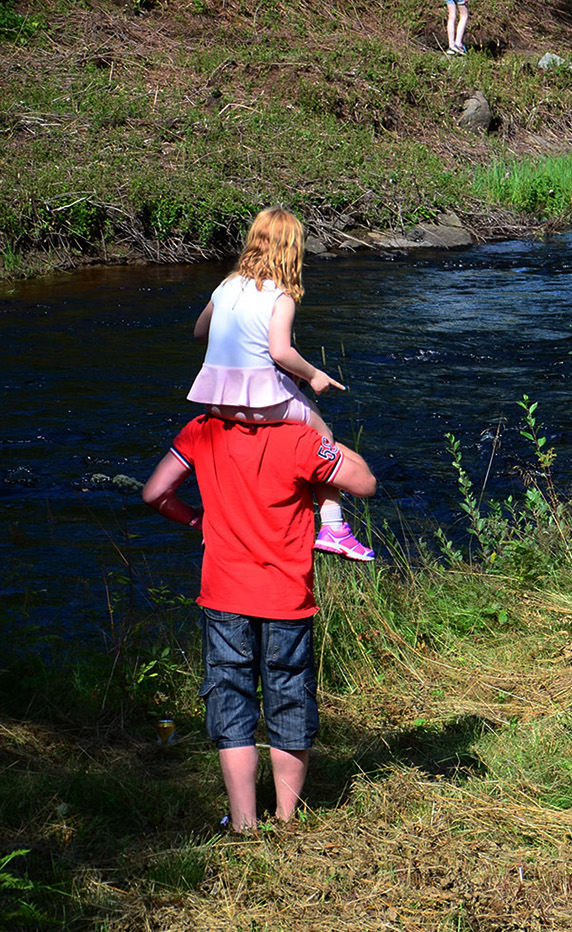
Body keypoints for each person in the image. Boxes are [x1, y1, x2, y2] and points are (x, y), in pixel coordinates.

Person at [142, 416, 377, 832]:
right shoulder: (299, 438)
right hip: (286, 598)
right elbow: (364, 482)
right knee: (289, 697)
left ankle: (243, 824)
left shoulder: (202, 430)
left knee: (230, 701)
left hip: (224, 594)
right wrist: (327, 435)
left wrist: (198, 521)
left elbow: (156, 493)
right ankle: (289, 821)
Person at [187, 206, 374, 562]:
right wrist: (314, 375)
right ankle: (334, 527)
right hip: (261, 401)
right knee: (323, 438)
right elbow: (280, 351)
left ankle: (222, 520)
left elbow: (199, 331)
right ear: (292, 251)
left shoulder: (225, 286)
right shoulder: (280, 297)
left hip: (214, 399)